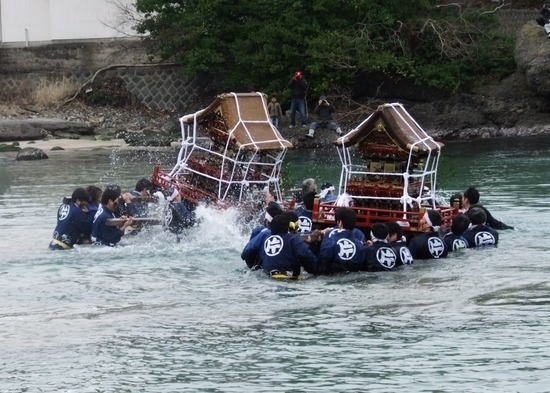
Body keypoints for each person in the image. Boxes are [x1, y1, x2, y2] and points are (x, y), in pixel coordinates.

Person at [259, 214, 319, 278]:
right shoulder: (293, 239)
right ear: (288, 227)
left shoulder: (266, 239)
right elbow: (306, 255)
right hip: (289, 278)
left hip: (268, 276)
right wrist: (317, 269)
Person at [318, 207, 365, 274]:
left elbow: (323, 261)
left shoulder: (331, 241)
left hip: (332, 278)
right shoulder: (360, 246)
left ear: (339, 222)